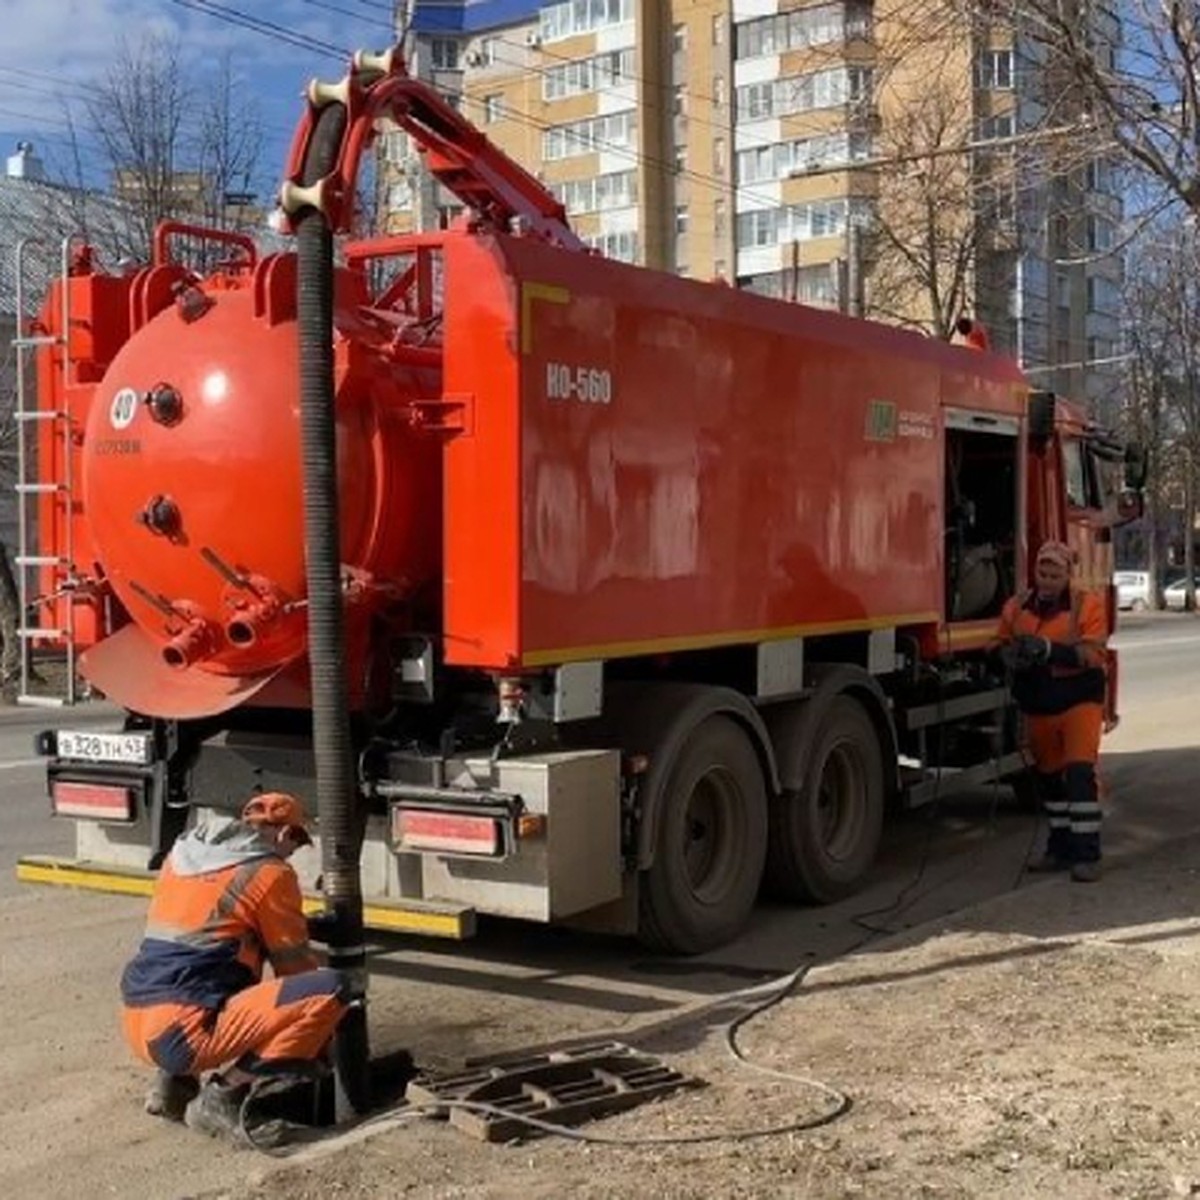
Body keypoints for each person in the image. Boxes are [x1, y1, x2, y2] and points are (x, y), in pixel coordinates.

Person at [120, 792, 349, 1139]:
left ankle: (172, 1088)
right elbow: (294, 965)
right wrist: (314, 1041)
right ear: (286, 834)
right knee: (332, 989)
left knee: (203, 969)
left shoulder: (181, 857)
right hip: (184, 1036)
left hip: (140, 1022)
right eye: (299, 842)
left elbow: (214, 925)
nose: (294, 852)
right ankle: (221, 1099)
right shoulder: (271, 871)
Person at [992, 540, 1109, 882]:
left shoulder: (1087, 605)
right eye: (1043, 572)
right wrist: (1004, 655)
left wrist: (1048, 650)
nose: (1047, 580)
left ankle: (1087, 855)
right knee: (1049, 781)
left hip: (1079, 700)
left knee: (1078, 775)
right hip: (1039, 702)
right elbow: (998, 642)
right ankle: (1059, 850)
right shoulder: (1016, 607)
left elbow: (1093, 654)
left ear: (1068, 575)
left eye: (1054, 573)